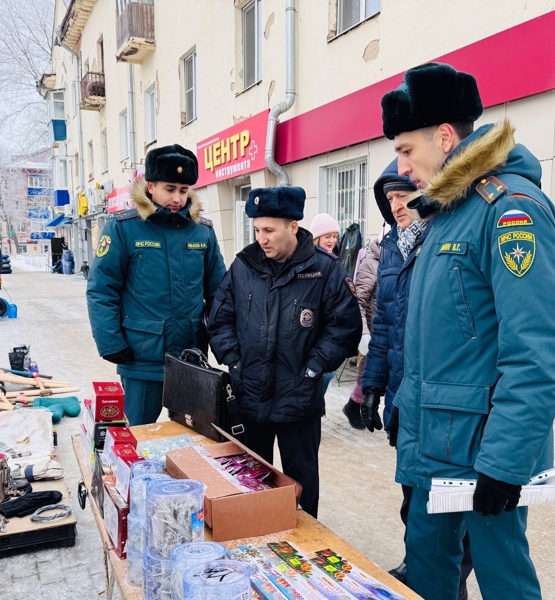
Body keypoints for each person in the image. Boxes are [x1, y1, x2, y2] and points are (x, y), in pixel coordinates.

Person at [381, 62, 555, 600]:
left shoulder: (509, 208)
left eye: (406, 149)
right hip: (434, 443)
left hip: (484, 451)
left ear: (444, 137)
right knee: (426, 570)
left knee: (503, 576)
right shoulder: (447, 211)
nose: (402, 166)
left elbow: (538, 349)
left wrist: (506, 462)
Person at [208, 187, 363, 518]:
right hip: (250, 397)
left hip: (300, 400)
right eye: (257, 230)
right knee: (250, 482)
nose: (261, 238)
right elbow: (219, 319)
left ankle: (305, 550)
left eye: (269, 230)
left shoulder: (325, 269)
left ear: (293, 227)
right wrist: (235, 361)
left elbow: (345, 327)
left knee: (302, 483)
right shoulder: (243, 266)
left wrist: (313, 369)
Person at [86, 144, 226, 426]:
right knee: (137, 438)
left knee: (191, 442)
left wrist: (223, 343)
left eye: (183, 190)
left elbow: (220, 294)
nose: (177, 197)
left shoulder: (203, 231)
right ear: (150, 186)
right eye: (169, 188)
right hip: (141, 358)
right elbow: (102, 290)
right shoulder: (124, 228)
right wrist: (110, 342)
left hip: (191, 357)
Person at [343, 237, 380, 430]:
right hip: (373, 331)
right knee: (368, 371)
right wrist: (365, 333)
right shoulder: (370, 265)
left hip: (387, 329)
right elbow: (359, 301)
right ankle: (354, 405)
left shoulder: (395, 261)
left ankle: (359, 405)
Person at [310, 212, 342, 395]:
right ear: (317, 237)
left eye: (335, 236)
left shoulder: (335, 261)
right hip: (313, 329)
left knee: (327, 374)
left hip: (329, 329)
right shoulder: (311, 261)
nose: (332, 241)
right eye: (327, 236)